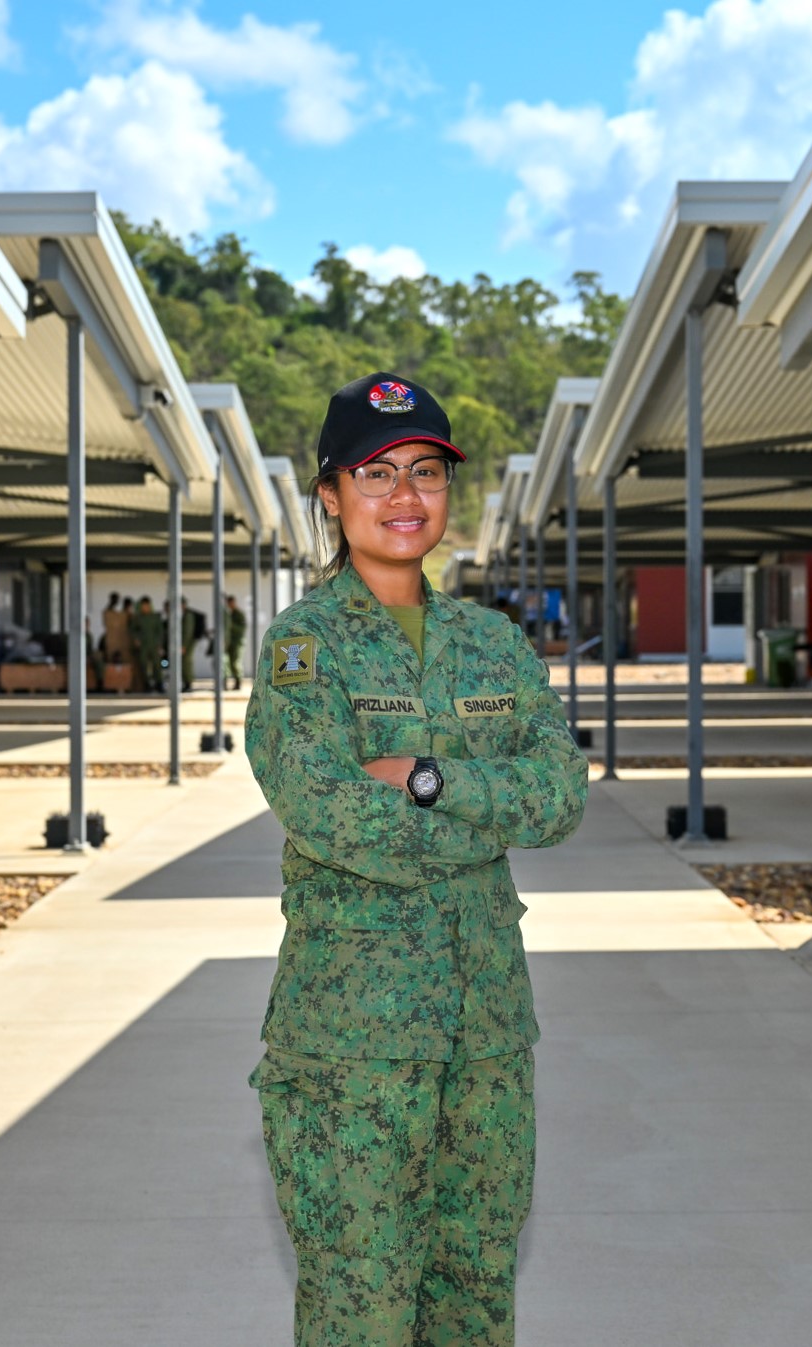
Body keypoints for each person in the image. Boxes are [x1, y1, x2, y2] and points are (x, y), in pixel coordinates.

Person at [245, 372, 587, 1346]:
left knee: (477, 1290)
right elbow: (330, 812)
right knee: (362, 1302)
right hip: (354, 1039)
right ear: (330, 495)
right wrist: (489, 815)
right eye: (376, 473)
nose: (405, 496)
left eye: (426, 472)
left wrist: (432, 781)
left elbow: (561, 794)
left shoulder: (493, 644)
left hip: (487, 1029)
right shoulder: (304, 649)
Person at [132, 596, 164, 694]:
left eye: (147, 605)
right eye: (143, 606)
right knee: (144, 665)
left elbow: (160, 632)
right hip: (143, 646)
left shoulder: (155, 617)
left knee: (157, 665)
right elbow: (133, 629)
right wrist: (136, 639)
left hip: (154, 645)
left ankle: (159, 684)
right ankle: (147, 685)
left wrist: (160, 645)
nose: (145, 608)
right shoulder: (138, 618)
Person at [224, 593, 247, 691]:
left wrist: (230, 625)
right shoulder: (229, 614)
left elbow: (242, 628)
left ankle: (238, 682)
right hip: (230, 641)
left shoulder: (239, 614)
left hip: (237, 641)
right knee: (228, 662)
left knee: (235, 662)